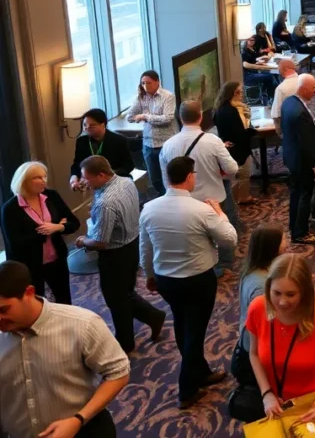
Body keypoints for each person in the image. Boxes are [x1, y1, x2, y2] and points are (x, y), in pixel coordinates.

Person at [140, 155, 236, 407]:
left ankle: (201, 372)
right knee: (194, 331)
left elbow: (145, 248)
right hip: (198, 280)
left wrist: (149, 274)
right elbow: (230, 239)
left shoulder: (149, 208)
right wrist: (220, 213)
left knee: (183, 324)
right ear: (190, 176)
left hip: (165, 281)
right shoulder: (201, 210)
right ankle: (187, 389)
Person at [0, 260, 131, 438]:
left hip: (83, 430)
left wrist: (78, 419)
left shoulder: (82, 325)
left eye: (4, 310)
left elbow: (118, 372)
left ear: (29, 293)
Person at [246, 254, 315, 438]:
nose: (282, 302)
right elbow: (254, 354)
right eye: (276, 293)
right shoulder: (258, 309)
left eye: (291, 294)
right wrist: (266, 393)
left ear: (305, 292)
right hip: (283, 407)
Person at [75, 156, 166, 353]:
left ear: (101, 175)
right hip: (133, 245)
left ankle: (125, 342)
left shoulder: (106, 202)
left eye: (87, 178)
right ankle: (153, 316)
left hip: (114, 255)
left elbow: (100, 241)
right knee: (125, 292)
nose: (85, 183)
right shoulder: (126, 181)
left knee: (115, 299)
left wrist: (82, 241)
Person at [159, 100, 239, 263]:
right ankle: (224, 263)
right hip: (214, 199)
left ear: (180, 118)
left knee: (194, 237)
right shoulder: (213, 141)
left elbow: (166, 180)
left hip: (184, 202)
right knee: (221, 231)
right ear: (201, 117)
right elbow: (232, 168)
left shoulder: (167, 146)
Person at [2, 162, 80, 305]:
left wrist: (58, 228)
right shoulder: (10, 208)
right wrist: (47, 231)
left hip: (57, 260)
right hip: (30, 266)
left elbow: (74, 223)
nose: (44, 181)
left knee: (65, 302)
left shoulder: (51, 196)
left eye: (44, 176)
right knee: (35, 305)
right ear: (24, 181)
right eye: (37, 177)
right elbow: (15, 244)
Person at [280, 75, 315, 244]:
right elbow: (307, 143)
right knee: (305, 195)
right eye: (313, 88)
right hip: (302, 162)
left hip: (291, 158)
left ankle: (293, 224)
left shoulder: (289, 102)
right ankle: (301, 233)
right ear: (303, 88)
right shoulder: (300, 114)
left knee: (295, 194)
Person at [237, 224, 285, 363]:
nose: (286, 242)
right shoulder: (261, 285)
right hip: (259, 347)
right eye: (283, 240)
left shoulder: (255, 269)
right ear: (273, 247)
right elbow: (265, 324)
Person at [126, 70, 178, 196]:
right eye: (143, 83)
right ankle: (162, 196)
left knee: (170, 176)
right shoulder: (141, 97)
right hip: (149, 143)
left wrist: (146, 116)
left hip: (166, 142)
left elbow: (167, 118)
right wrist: (138, 96)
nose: (145, 86)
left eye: (148, 83)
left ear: (157, 82)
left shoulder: (168, 96)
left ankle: (171, 198)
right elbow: (130, 116)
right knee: (154, 178)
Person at [69, 109, 133, 191]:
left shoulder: (119, 140)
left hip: (116, 183)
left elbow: (128, 165)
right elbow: (77, 164)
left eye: (92, 126)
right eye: (84, 125)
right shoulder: (81, 141)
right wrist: (74, 178)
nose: (87, 128)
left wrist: (110, 176)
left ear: (103, 125)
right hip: (91, 185)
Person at [214, 82, 256, 206]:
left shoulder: (220, 108)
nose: (242, 94)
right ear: (233, 93)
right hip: (239, 148)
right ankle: (241, 198)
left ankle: (239, 198)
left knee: (235, 176)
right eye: (240, 92)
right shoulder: (232, 111)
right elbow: (239, 133)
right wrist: (252, 132)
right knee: (243, 174)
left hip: (230, 146)